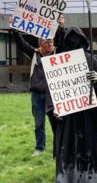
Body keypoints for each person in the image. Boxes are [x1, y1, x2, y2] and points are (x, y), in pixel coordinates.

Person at [52, 26, 97, 183]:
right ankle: (67, 176)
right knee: (68, 143)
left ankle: (90, 176)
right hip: (69, 112)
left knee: (88, 143)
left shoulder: (92, 60)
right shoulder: (60, 61)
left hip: (88, 113)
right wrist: (56, 106)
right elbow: (56, 87)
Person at [9, 14, 64, 156]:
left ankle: (58, 148)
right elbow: (21, 44)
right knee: (39, 124)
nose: (51, 45)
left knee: (56, 123)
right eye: (48, 43)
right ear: (41, 44)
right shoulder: (34, 53)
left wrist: (60, 26)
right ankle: (40, 148)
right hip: (37, 95)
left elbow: (61, 40)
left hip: (53, 95)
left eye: (52, 43)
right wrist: (15, 30)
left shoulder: (56, 54)